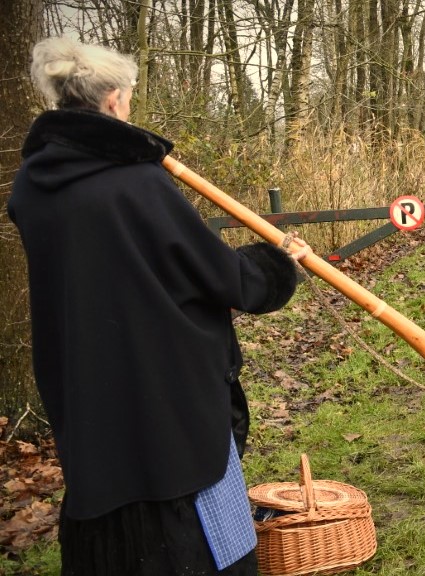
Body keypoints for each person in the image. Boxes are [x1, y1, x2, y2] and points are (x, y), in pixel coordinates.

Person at [7, 37, 312, 575]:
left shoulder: (32, 187)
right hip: (159, 384)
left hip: (84, 380)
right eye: (127, 96)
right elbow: (220, 276)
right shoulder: (137, 184)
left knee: (106, 483)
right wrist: (280, 263)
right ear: (112, 102)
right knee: (186, 498)